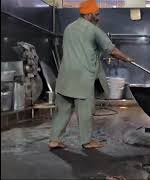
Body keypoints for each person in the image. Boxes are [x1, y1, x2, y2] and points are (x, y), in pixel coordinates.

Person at [49, 0, 133, 149]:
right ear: (89, 14)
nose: (99, 17)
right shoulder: (94, 30)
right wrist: (127, 58)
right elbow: (111, 50)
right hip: (83, 78)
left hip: (65, 77)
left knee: (62, 110)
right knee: (85, 111)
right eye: (97, 14)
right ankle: (86, 141)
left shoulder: (69, 28)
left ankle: (55, 139)